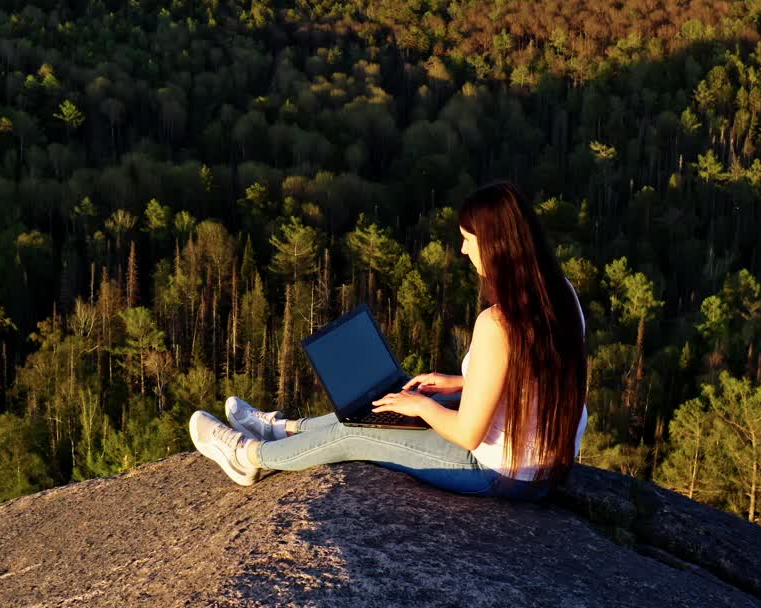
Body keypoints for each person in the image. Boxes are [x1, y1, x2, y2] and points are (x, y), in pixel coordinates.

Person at [189, 180, 589, 499]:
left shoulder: (497, 323)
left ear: (497, 246)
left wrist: (419, 405)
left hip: (500, 473)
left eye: (469, 239)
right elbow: (536, 380)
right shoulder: (560, 294)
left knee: (360, 431)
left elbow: (468, 435)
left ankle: (249, 457)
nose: (464, 249)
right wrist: (463, 384)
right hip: (543, 466)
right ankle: (288, 429)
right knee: (383, 403)